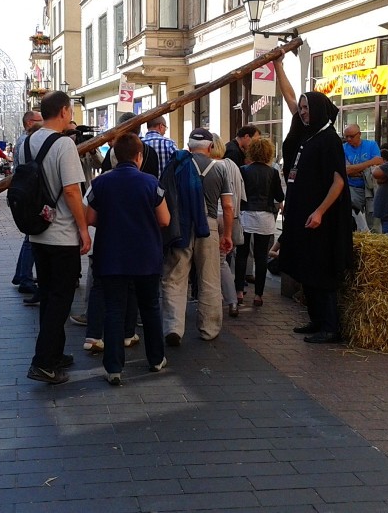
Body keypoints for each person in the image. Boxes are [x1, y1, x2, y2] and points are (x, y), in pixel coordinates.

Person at [274, 51, 352, 344]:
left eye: (307, 109)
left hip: (322, 221)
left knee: (321, 273)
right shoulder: (310, 135)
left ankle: (330, 327)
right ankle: (316, 320)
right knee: (307, 269)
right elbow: (291, 99)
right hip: (304, 216)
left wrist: (320, 212)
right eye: (302, 108)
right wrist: (278, 67)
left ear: (318, 110)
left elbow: (338, 182)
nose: (303, 112)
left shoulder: (329, 140)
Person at [86, 132, 170, 385]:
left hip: (111, 255)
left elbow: (89, 218)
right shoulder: (150, 182)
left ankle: (114, 367)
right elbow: (165, 219)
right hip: (146, 255)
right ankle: (156, 359)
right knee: (150, 307)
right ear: (139, 156)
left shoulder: (101, 183)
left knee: (113, 310)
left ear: (114, 156)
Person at [20, 91, 91, 384]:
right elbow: (73, 190)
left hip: (37, 232)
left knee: (49, 295)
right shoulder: (64, 144)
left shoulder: (25, 143)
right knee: (61, 298)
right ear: (63, 111)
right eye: (70, 110)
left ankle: (56, 353)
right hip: (62, 234)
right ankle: (43, 362)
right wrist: (84, 228)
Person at [161, 127, 234, 345]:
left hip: (180, 227)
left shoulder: (177, 164)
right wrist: (227, 234)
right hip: (209, 226)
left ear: (189, 147)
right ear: (211, 147)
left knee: (174, 277)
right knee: (209, 278)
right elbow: (228, 206)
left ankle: (174, 327)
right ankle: (209, 328)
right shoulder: (220, 169)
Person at [234, 135, 284, 314]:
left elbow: (238, 192)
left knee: (242, 253)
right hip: (265, 214)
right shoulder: (273, 172)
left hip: (246, 213)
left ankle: (239, 291)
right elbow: (280, 196)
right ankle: (258, 295)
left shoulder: (243, 170)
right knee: (261, 256)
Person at [210, 133, 246, 318]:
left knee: (207, 262)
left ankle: (211, 302)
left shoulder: (209, 166)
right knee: (222, 262)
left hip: (212, 216)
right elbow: (240, 196)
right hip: (229, 217)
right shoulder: (232, 165)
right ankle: (232, 302)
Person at [11, 110, 45, 297]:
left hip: (24, 195)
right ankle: (24, 276)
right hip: (30, 196)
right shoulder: (27, 141)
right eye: (41, 120)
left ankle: (21, 274)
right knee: (31, 239)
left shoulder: (24, 140)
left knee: (29, 238)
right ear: (30, 123)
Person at [343, 124, 382, 231]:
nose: (348, 139)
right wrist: (367, 167)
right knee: (353, 218)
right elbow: (346, 170)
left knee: (373, 221)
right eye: (346, 137)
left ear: (359, 134)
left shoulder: (371, 145)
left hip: (371, 188)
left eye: (351, 136)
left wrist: (355, 169)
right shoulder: (343, 148)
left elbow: (378, 163)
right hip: (353, 188)